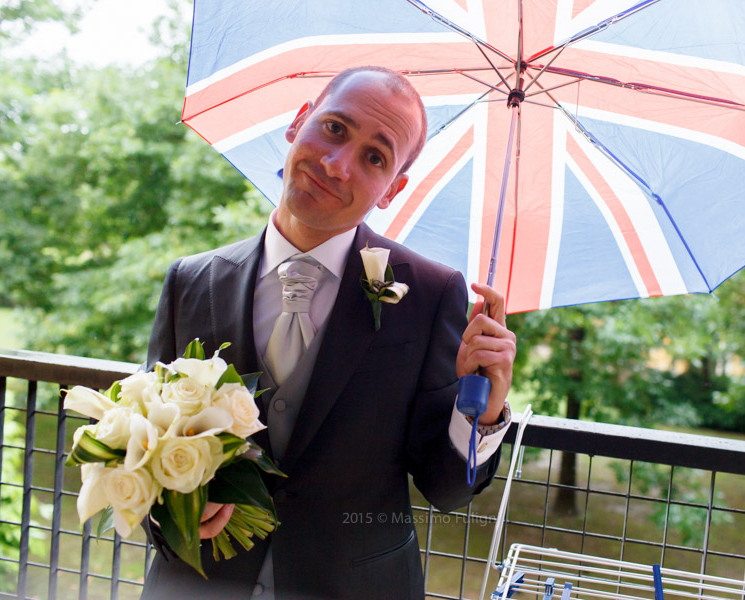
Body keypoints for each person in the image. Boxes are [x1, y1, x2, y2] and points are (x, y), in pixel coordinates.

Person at [140, 66, 516, 600]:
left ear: (393, 189)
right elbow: (148, 438)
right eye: (335, 129)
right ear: (299, 122)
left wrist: (484, 412)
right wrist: (168, 508)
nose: (337, 165)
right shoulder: (191, 280)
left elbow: (446, 489)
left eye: (374, 157)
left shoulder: (432, 294)